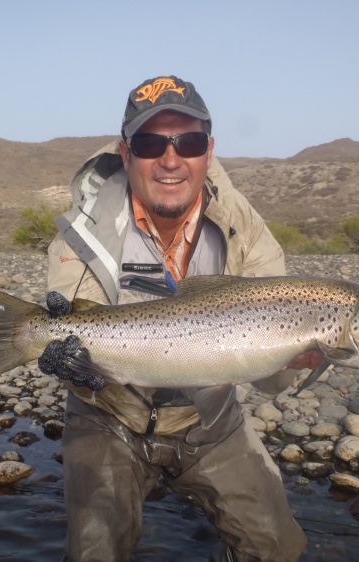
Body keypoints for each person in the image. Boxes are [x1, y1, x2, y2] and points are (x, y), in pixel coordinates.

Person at [46, 75, 308, 562]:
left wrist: (298, 359)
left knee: (278, 550)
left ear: (208, 151)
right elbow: (75, 327)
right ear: (127, 155)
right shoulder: (80, 234)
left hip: (209, 418)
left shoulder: (247, 233)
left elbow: (273, 382)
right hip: (109, 415)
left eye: (186, 142)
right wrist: (74, 366)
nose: (170, 159)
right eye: (150, 143)